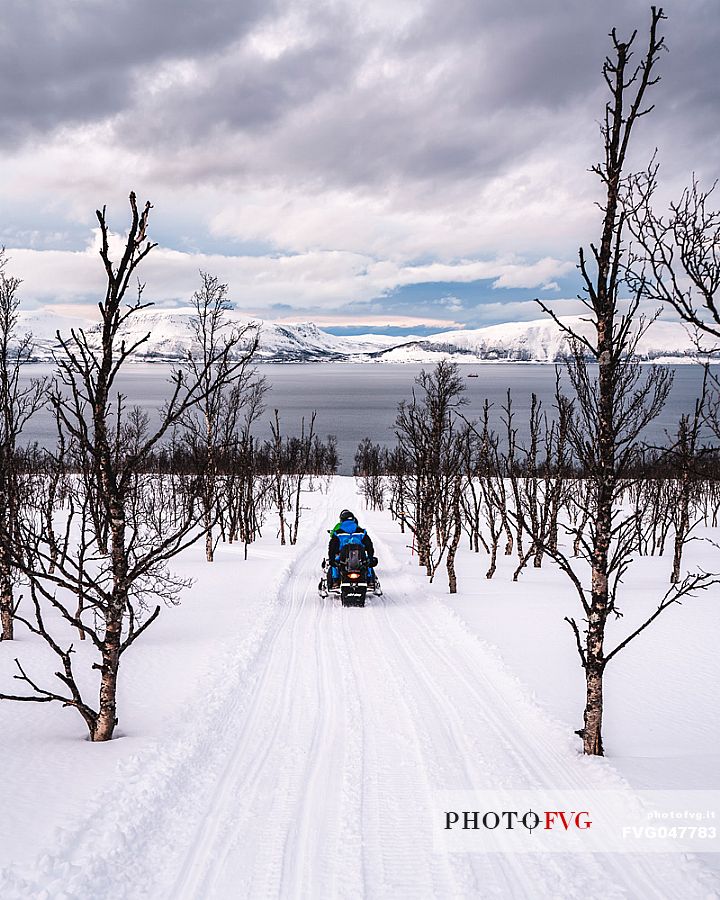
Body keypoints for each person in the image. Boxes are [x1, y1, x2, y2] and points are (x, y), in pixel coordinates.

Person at [326, 509, 378, 590]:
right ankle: (370, 580)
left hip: (343, 557)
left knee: (334, 564)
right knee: (368, 561)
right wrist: (371, 557)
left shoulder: (338, 533)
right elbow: (369, 546)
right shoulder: (361, 532)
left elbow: (332, 548)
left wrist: (331, 559)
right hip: (360, 556)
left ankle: (335, 581)